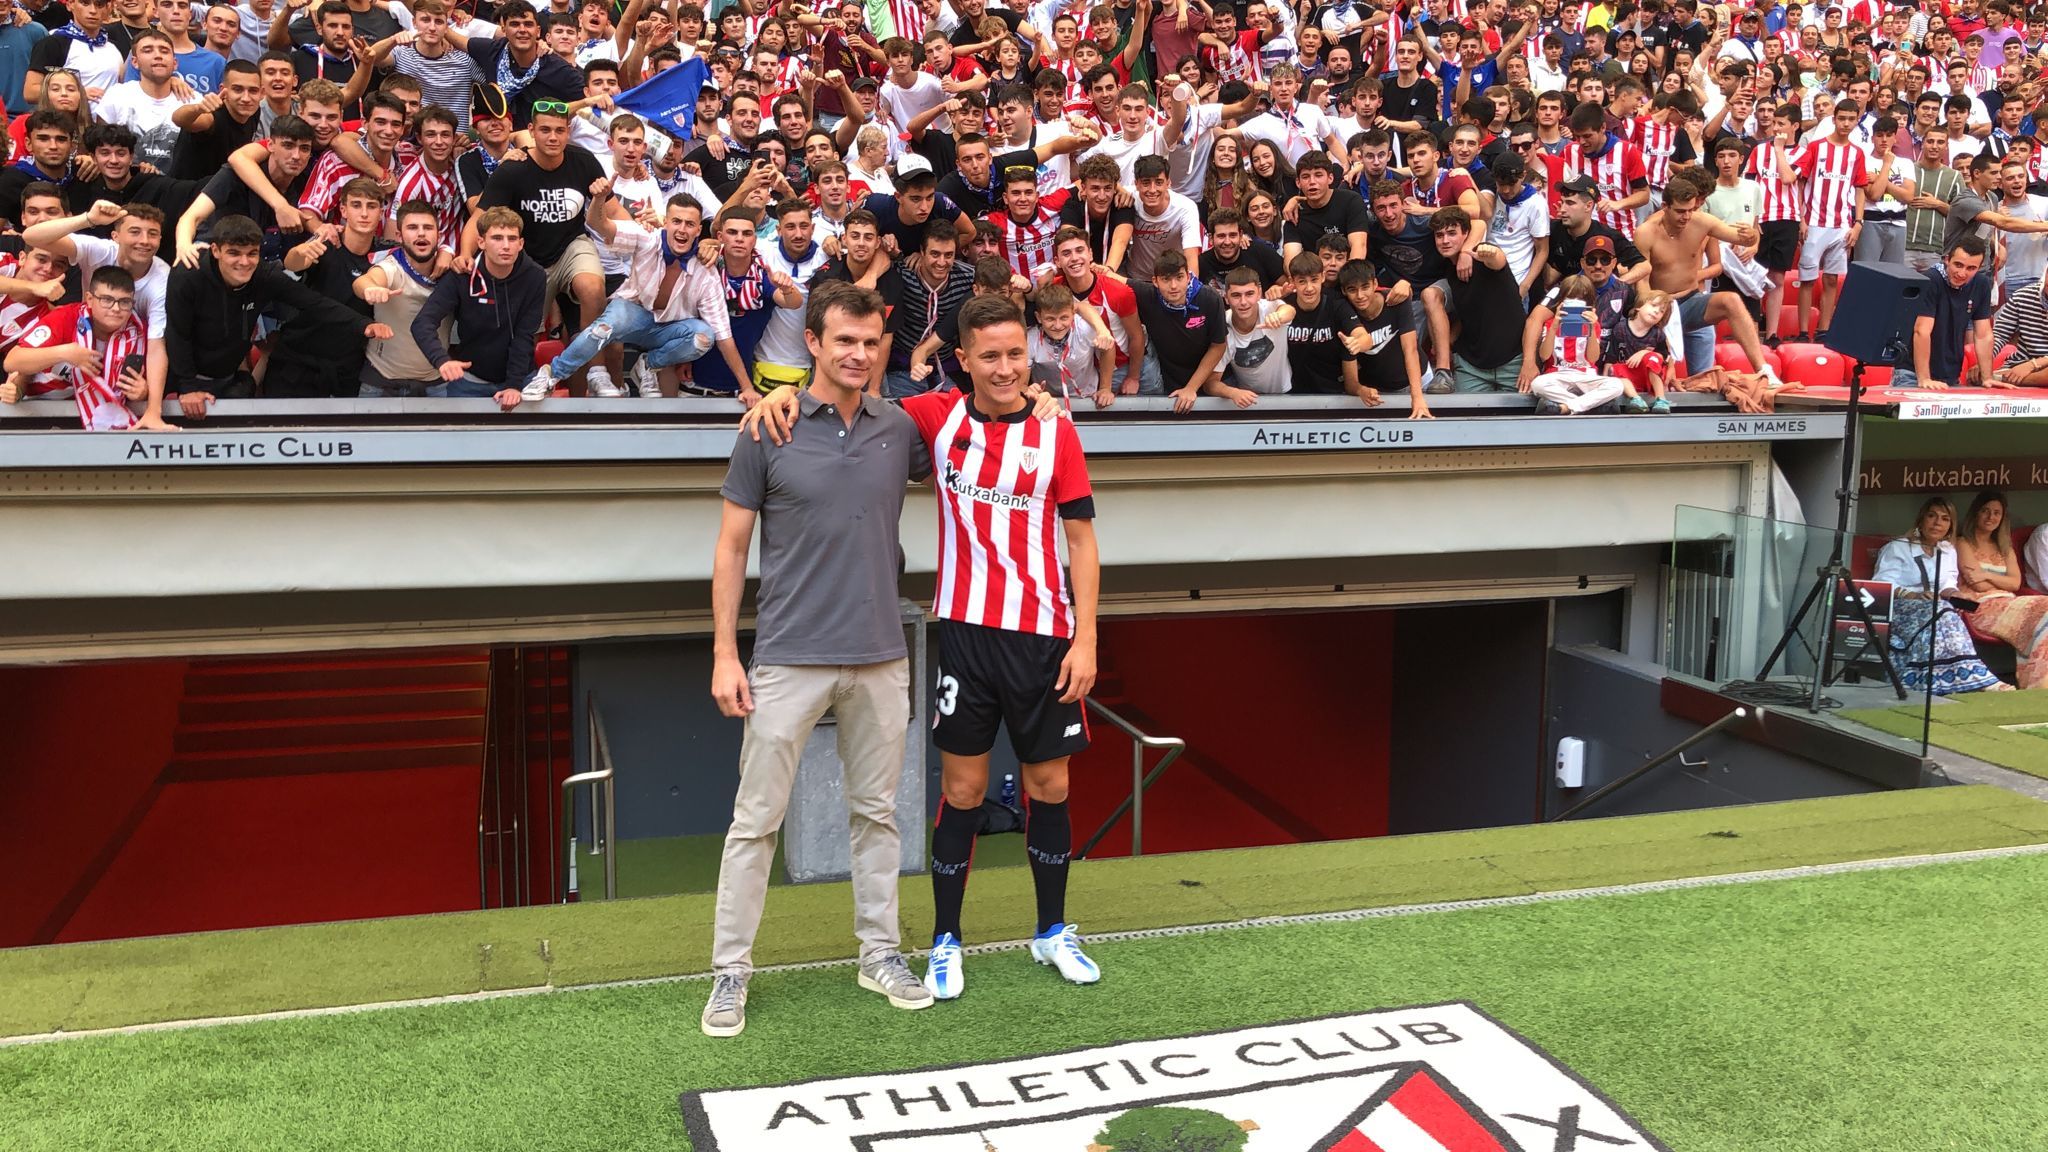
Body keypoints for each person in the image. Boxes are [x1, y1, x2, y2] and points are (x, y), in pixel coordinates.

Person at [740, 292, 1100, 1003]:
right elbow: (846, 400)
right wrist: (771, 402)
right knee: (963, 790)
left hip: (1044, 637)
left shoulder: (1058, 430)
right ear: (961, 360)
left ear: (1030, 359)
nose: (1004, 369)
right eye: (989, 356)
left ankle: (1052, 929)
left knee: (1048, 785)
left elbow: (1083, 541)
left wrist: (1086, 638)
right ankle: (944, 940)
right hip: (965, 635)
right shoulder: (932, 418)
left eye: (1015, 356)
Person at [701, 282, 939, 1037]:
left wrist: (1044, 400)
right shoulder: (765, 428)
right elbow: (732, 548)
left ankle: (879, 954)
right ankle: (730, 973)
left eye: (871, 343)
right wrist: (723, 655)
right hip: (787, 658)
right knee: (755, 822)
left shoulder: (898, 429)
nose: (859, 355)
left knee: (878, 816)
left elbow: (980, 427)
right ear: (813, 344)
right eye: (845, 341)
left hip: (879, 656)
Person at [410, 206, 547, 410]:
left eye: (512, 239)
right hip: (470, 381)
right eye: (497, 238)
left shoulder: (535, 276)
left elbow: (524, 334)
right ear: (481, 242)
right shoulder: (462, 275)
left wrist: (513, 385)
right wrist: (442, 360)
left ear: (521, 244)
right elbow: (423, 322)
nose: (506, 246)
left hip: (519, 380)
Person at [1875, 495, 2011, 694]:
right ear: (1921, 519)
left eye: (1945, 518)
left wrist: (1957, 594)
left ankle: (1948, 678)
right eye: (1932, 516)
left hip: (1934, 606)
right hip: (1900, 607)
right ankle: (1974, 678)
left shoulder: (1947, 549)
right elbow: (1880, 584)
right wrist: (1911, 595)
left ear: (1950, 525)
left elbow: (1947, 583)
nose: (1938, 522)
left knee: (1945, 611)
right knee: (1942, 612)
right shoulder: (1898, 547)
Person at [1, 264, 147, 429]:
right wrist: (64, 353)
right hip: (40, 412)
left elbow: (146, 388)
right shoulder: (66, 317)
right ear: (90, 300)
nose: (116, 308)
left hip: (92, 423)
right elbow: (12, 361)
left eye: (125, 302)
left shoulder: (140, 333)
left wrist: (143, 392)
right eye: (107, 300)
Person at [354, 199, 451, 397]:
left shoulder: (452, 272)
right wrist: (370, 289)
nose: (421, 233)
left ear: (438, 235)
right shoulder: (390, 267)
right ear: (399, 235)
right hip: (380, 382)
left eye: (428, 228)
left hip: (436, 385)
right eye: (413, 227)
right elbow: (365, 281)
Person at [1953, 489, 2048, 688]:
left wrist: (1986, 574)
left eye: (1997, 513)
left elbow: (2014, 583)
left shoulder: (2004, 547)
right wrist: (1999, 580)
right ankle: (2037, 683)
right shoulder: (1963, 543)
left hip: (2010, 602)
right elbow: (1976, 584)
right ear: (1976, 513)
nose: (1991, 517)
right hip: (1979, 607)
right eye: (1985, 511)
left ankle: (2039, 680)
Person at [1431, 206, 1526, 391]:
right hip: (1472, 366)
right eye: (1439, 235)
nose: (1445, 240)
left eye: (1452, 233)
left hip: (1513, 361)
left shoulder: (1479, 255)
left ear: (1466, 234)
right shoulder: (1446, 266)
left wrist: (1485, 253)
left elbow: (1496, 259)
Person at [1901, 235, 2000, 390]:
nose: (1962, 273)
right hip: (1913, 374)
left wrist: (1987, 377)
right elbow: (1922, 331)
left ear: (1979, 267)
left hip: (1950, 375)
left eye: (1971, 268)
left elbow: (1983, 334)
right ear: (1947, 259)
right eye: (1958, 265)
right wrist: (1924, 379)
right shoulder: (1931, 279)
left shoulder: (1981, 284)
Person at [1133, 248, 1227, 410]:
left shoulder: (1209, 298)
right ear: (1155, 281)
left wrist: (1191, 387)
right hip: (1167, 386)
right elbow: (1112, 279)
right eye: (1166, 279)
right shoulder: (1147, 295)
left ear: (1188, 276)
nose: (1173, 286)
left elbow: (1218, 346)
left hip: (1209, 382)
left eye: (1179, 277)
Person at [1527, 272, 1626, 413]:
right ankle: (1587, 406)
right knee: (1538, 384)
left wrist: (1591, 328)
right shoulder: (1551, 323)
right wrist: (1555, 325)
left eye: (1581, 299)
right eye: (1570, 298)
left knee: (1617, 385)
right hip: (1557, 374)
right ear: (1561, 301)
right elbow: (1544, 356)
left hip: (1586, 375)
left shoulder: (1593, 324)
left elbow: (1592, 358)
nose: (1575, 302)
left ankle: (1567, 407)